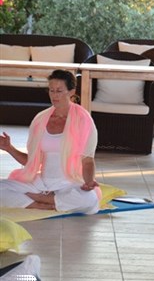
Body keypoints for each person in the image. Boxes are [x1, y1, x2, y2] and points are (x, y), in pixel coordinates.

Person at [0, 69, 100, 214]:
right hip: (41, 183)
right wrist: (9, 148)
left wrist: (89, 181)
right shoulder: (40, 119)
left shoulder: (83, 120)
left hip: (69, 183)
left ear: (71, 92)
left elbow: (88, 160)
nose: (54, 95)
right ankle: (42, 204)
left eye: (59, 91)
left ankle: (39, 199)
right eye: (51, 90)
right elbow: (32, 161)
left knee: (90, 199)